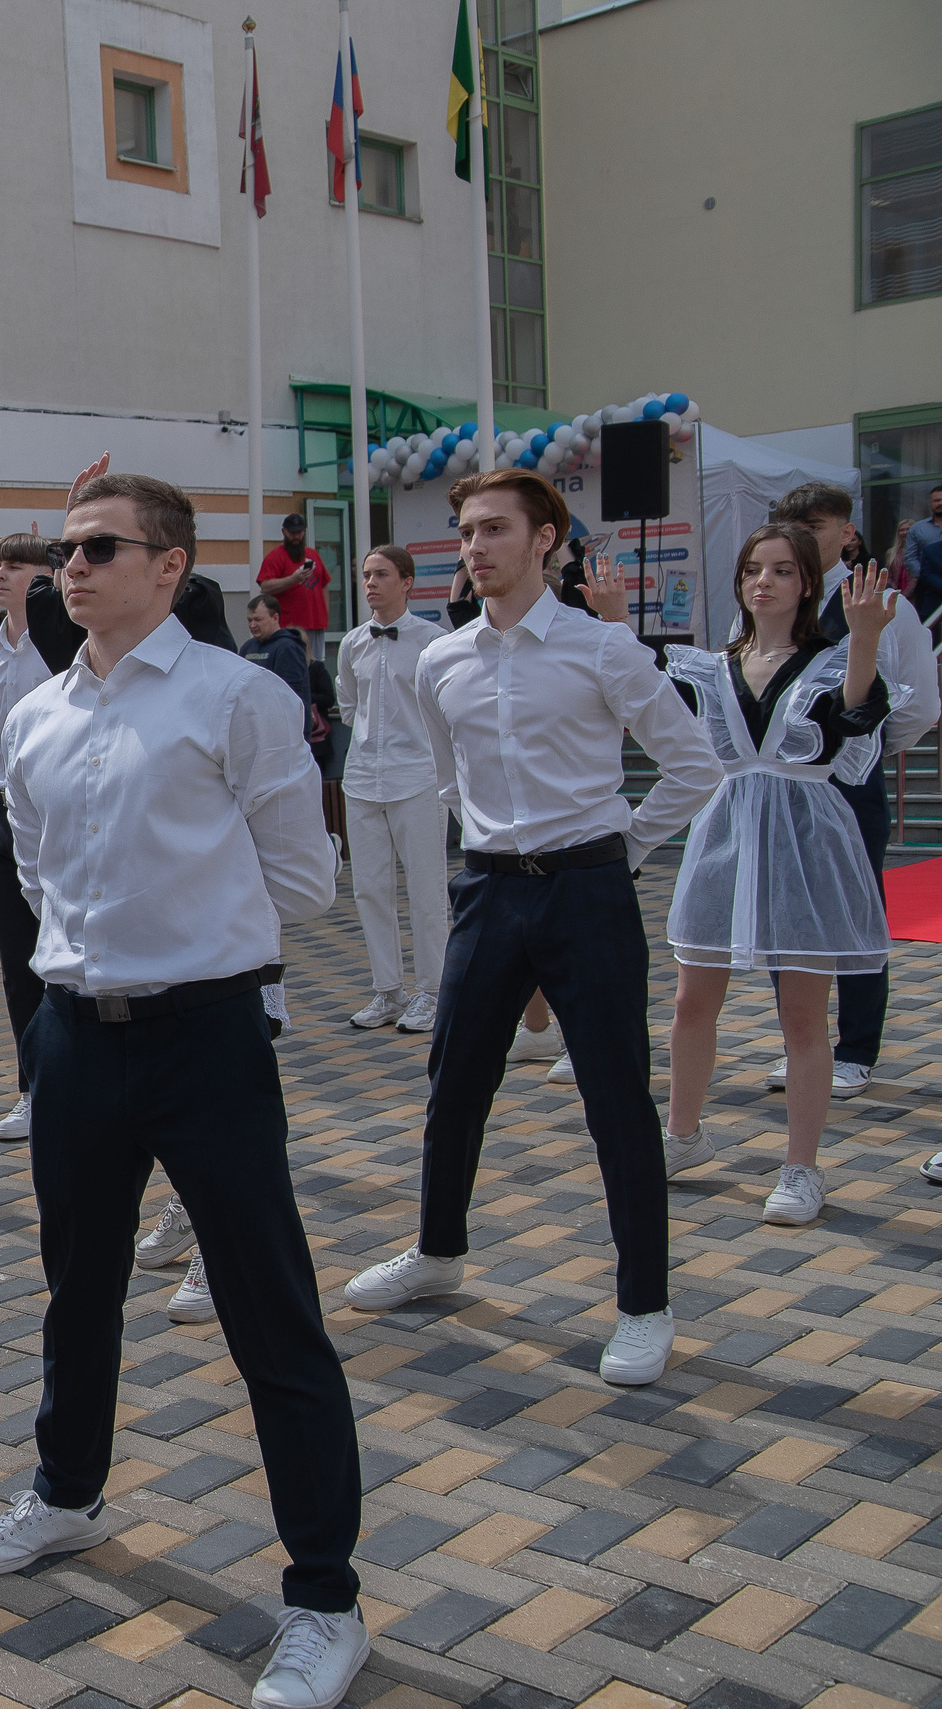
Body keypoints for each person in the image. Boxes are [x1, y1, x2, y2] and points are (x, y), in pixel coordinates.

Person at [0, 469, 367, 1709]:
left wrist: (193, 919)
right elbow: (32, 871)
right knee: (75, 1287)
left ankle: (323, 1596)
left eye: (97, 547)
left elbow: (302, 877)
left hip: (207, 1039)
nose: (67, 568)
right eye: (60, 551)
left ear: (170, 564)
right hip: (76, 1037)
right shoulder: (36, 716)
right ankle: (67, 1491)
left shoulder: (237, 697)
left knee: (269, 1315)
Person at [346, 469, 723, 1387]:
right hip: (489, 891)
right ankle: (438, 1252)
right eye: (466, 531)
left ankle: (644, 1305)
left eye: (495, 529)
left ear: (546, 539)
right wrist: (493, 847)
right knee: (454, 1078)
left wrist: (620, 848)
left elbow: (693, 764)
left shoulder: (604, 651)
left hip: (588, 893)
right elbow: (448, 775)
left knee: (617, 1103)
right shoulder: (443, 659)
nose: (475, 547)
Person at [661, 525, 893, 1228]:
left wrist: (864, 636)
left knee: (801, 1015)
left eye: (783, 570)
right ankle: (681, 1136)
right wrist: (613, 618)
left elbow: (857, 718)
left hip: (807, 839)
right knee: (690, 1001)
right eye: (754, 569)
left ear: (806, 584)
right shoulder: (709, 665)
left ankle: (801, 1167)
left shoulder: (829, 661)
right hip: (725, 834)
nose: (765, 581)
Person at [759, 482, 940, 1100]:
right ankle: (799, 1043)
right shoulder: (766, 598)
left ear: (847, 532)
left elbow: (919, 700)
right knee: (785, 912)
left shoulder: (885, 603)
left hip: (849, 780)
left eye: (816, 525)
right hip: (782, 780)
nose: (805, 537)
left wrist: (865, 752)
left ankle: (856, 1050)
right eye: (793, 525)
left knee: (857, 912)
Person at [333, 546, 449, 1033]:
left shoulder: (435, 641)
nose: (370, 583)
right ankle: (387, 990)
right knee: (369, 890)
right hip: (362, 779)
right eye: (365, 574)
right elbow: (348, 704)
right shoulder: (352, 643)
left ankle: (433, 991)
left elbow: (447, 713)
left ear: (407, 582)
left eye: (381, 574)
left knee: (426, 890)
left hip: (418, 778)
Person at [0, 534, 54, 1140]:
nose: (1, 575)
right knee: (17, 964)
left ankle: (79, 1080)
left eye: (16, 565)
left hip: (56, 810)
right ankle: (34, 1088)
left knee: (69, 956)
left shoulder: (66, 647)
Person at [258, 511, 334, 661]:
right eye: (292, 533)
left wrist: (325, 614)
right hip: (290, 625)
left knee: (316, 665)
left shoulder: (312, 554)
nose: (296, 536)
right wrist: (293, 579)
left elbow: (324, 584)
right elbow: (265, 586)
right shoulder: (275, 557)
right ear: (284, 532)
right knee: (294, 664)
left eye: (299, 532)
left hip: (315, 622)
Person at [241, 594, 310, 710]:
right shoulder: (247, 647)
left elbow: (291, 693)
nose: (252, 625)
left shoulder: (287, 647)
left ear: (275, 618)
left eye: (258, 619)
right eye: (250, 620)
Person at [902, 482, 942, 618]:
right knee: (930, 629)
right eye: (937, 500)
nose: (940, 503)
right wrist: (927, 577)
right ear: (930, 503)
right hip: (928, 589)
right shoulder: (918, 528)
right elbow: (909, 557)